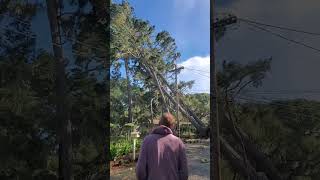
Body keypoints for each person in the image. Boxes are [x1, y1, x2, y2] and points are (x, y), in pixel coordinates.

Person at [136, 112, 188, 180]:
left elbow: (140, 170)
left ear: (159, 124)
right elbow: (184, 172)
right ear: (172, 126)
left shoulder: (147, 141)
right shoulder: (178, 142)